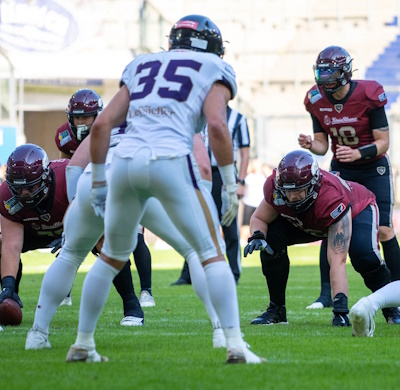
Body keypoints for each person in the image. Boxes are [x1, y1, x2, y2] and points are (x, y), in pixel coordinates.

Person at [65, 14, 264, 364]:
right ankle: (235, 345)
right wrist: (231, 184)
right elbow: (217, 126)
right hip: (171, 159)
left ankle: (83, 344)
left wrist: (97, 180)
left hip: (123, 164)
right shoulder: (212, 67)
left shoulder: (141, 64)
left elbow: (102, 125)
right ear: (212, 46)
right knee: (212, 252)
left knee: (111, 257)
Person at [25, 131, 227, 350]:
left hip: (94, 179)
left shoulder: (116, 112)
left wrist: (75, 205)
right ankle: (221, 330)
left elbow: (74, 166)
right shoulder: (176, 111)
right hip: (137, 178)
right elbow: (204, 167)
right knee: (194, 250)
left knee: (71, 256)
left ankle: (39, 334)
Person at [298, 46, 400, 320]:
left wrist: (358, 153)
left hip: (372, 167)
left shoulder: (368, 93)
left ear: (344, 72)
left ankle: (397, 289)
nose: (325, 78)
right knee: (331, 225)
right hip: (342, 169)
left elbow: (383, 142)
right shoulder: (315, 98)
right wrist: (311, 144)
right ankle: (325, 294)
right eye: (322, 72)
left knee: (384, 229)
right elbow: (321, 146)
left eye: (330, 72)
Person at [244, 150, 397, 327]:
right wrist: (257, 236)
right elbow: (260, 218)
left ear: (314, 185)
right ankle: (277, 309)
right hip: (312, 220)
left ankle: (391, 308)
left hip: (357, 210)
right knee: (270, 240)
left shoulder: (330, 197)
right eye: (288, 191)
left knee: (364, 255)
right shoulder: (276, 187)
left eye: (299, 191)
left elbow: (337, 260)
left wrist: (340, 310)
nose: (292, 197)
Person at [55, 89, 155, 308]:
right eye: (77, 116)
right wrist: (72, 202)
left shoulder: (113, 128)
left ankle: (145, 291)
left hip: (117, 183)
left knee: (135, 236)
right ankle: (65, 293)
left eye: (86, 117)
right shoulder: (64, 135)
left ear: (98, 115)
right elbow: (67, 167)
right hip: (86, 186)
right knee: (73, 242)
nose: (81, 122)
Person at [172, 105, 250, 285]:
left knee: (229, 224)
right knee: (197, 222)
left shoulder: (238, 118)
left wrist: (241, 180)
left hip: (225, 174)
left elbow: (244, 152)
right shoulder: (199, 114)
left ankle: (233, 272)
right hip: (200, 172)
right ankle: (188, 274)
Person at [0, 144, 69, 311]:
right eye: (18, 188)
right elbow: (11, 245)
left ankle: (133, 305)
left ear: (45, 178)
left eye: (30, 187)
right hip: (33, 231)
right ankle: (9, 298)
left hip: (69, 227)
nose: (24, 193)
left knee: (104, 240)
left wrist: (73, 235)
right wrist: (7, 286)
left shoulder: (67, 176)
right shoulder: (6, 195)